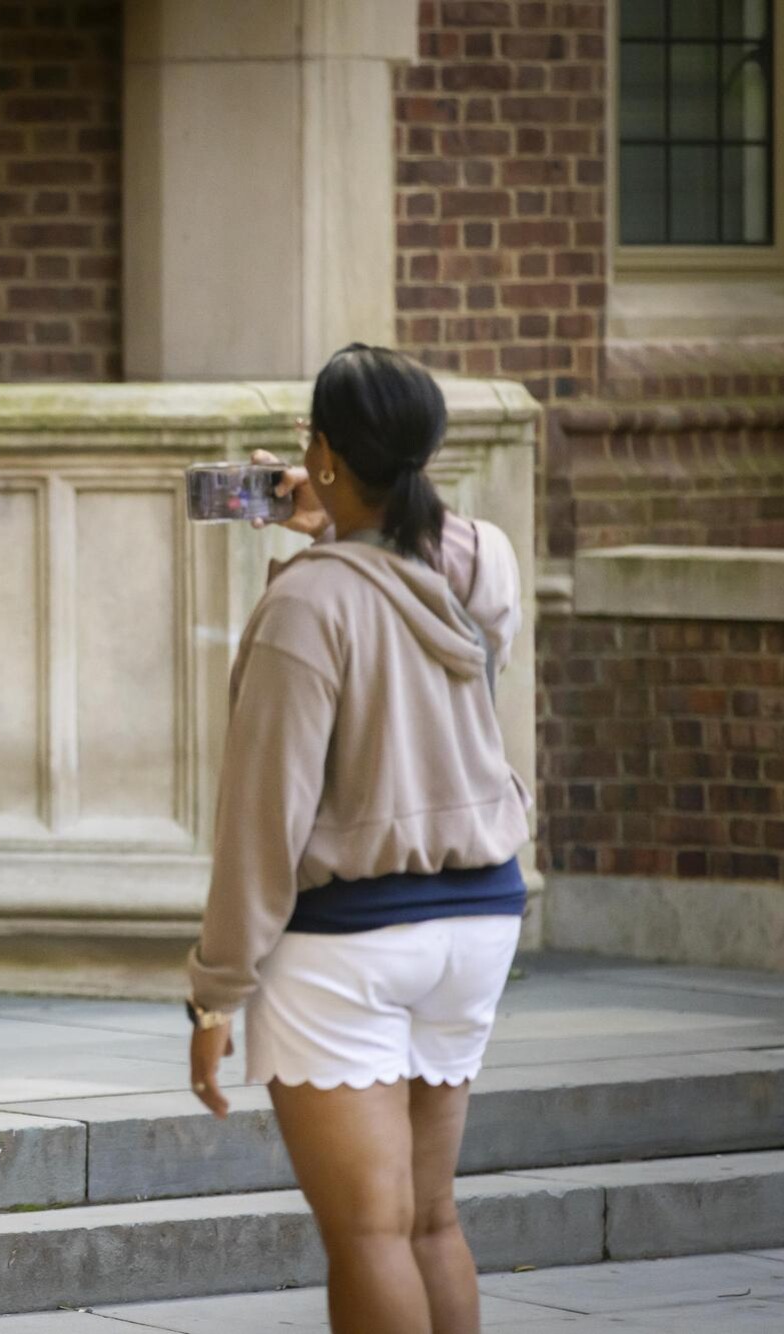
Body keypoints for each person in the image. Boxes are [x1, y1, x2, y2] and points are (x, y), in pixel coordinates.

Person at [185, 344, 531, 1334]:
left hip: (350, 938)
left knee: (369, 1235)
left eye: (312, 444)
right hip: (477, 918)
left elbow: (262, 822)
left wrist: (214, 992)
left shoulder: (306, 602)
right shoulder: (469, 563)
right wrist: (340, 510)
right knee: (427, 1219)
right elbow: (441, 548)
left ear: (324, 451)